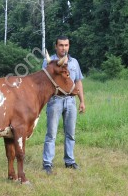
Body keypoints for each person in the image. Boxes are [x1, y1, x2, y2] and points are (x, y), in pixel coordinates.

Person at [42, 35, 85, 175]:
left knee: (70, 133)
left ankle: (70, 161)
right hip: (55, 101)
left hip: (71, 101)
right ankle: (47, 163)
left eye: (66, 45)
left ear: (69, 46)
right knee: (51, 134)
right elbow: (44, 83)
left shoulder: (74, 63)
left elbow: (78, 81)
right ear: (56, 46)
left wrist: (82, 101)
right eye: (61, 45)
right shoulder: (48, 62)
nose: (64, 48)